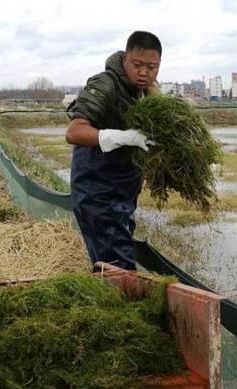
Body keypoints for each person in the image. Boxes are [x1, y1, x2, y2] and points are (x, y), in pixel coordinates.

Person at [65, 31, 162, 270]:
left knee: (113, 259)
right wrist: (125, 137)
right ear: (124, 58)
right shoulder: (105, 84)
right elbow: (74, 132)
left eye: (152, 67)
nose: (144, 73)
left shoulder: (144, 91)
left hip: (124, 190)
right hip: (97, 190)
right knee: (118, 268)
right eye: (137, 65)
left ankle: (111, 298)